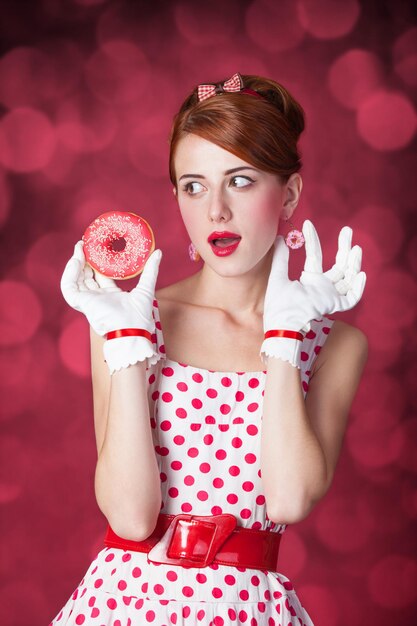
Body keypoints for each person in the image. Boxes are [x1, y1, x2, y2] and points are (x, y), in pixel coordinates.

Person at [50, 72, 368, 625]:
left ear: (288, 194)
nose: (215, 211)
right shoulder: (124, 320)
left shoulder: (336, 344)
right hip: (124, 605)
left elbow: (288, 500)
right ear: (176, 197)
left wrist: (284, 339)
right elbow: (129, 516)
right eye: (194, 186)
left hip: (249, 610)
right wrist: (127, 345)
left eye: (240, 181)